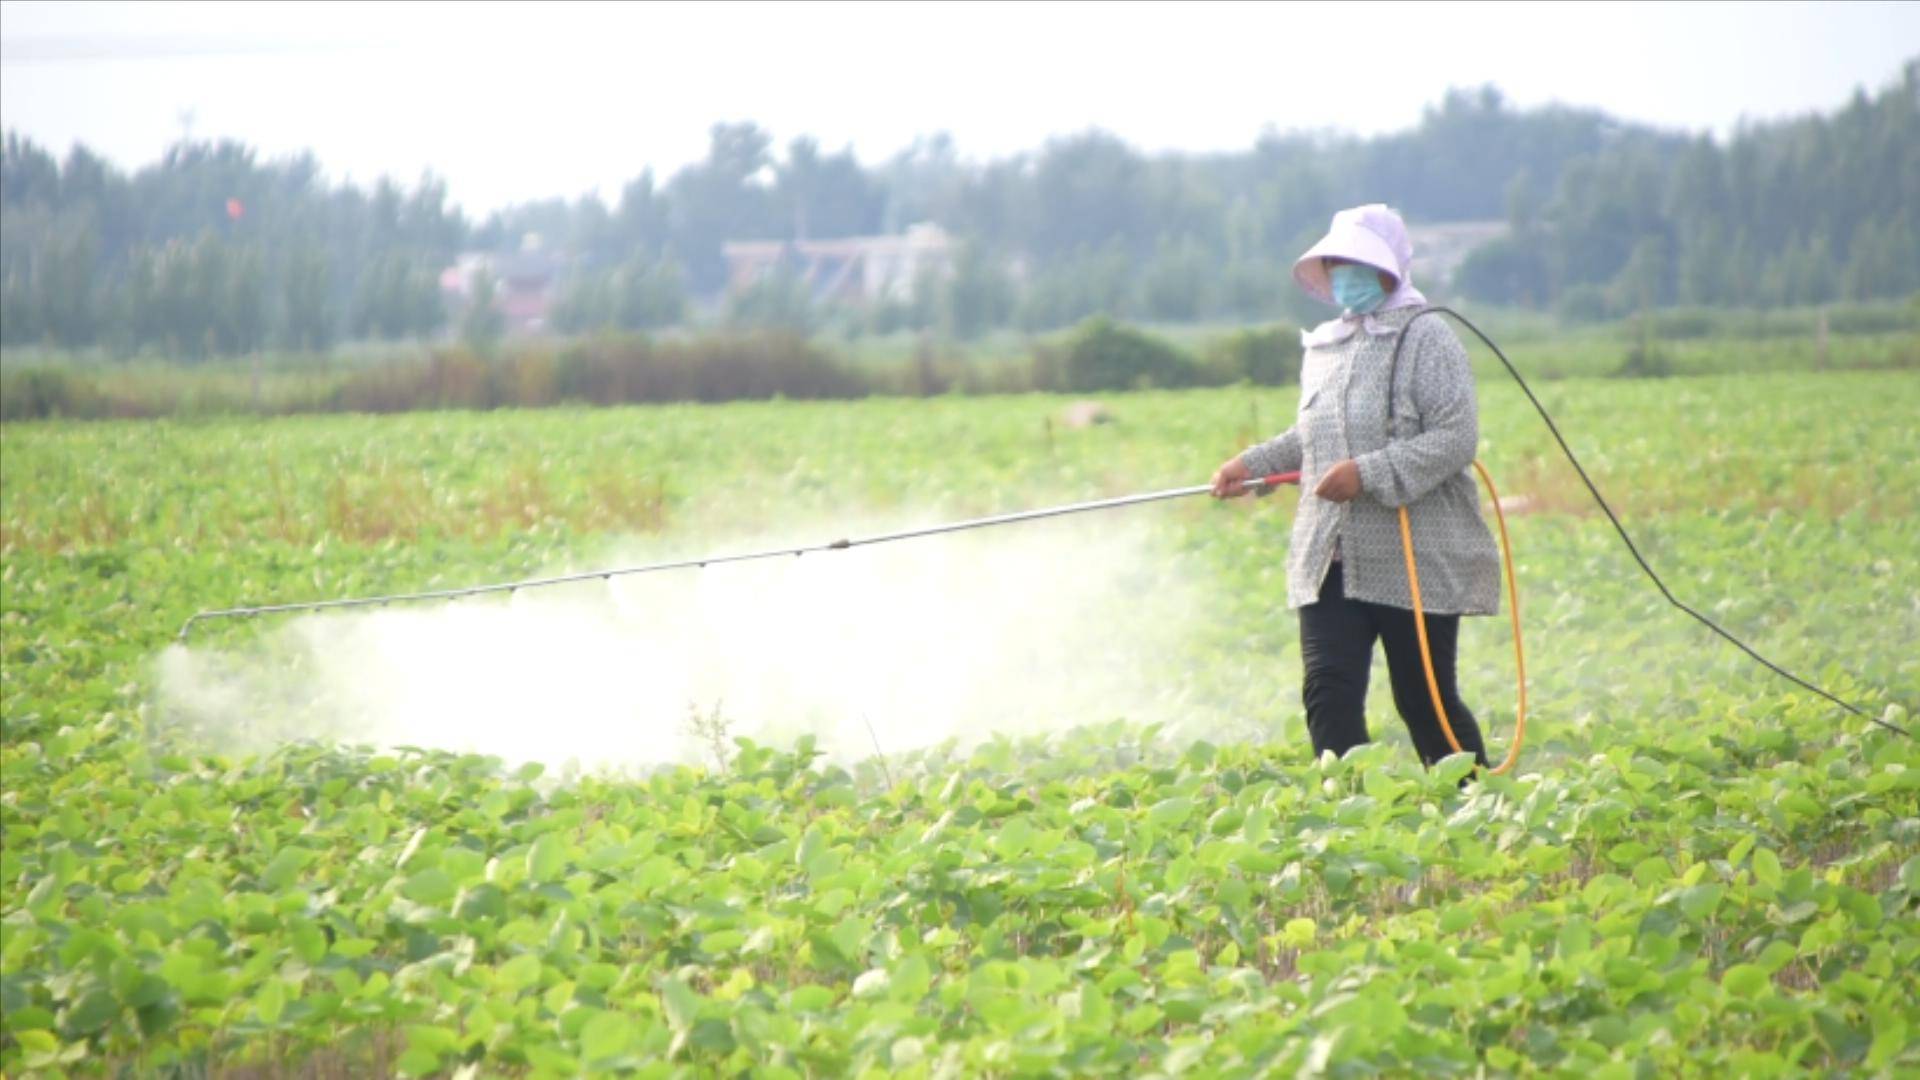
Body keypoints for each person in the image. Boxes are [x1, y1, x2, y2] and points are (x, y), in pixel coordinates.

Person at [1210, 204, 1498, 769]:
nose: (1346, 274)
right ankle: (1348, 809)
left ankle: (1475, 804)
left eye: (1360, 263)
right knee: (1328, 693)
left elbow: (1455, 437)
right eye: (1337, 264)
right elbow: (1312, 437)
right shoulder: (1326, 345)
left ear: (1392, 268)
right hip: (1330, 555)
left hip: (1415, 554)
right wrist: (1250, 464)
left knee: (1424, 702)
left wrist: (1366, 472)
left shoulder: (1427, 335)